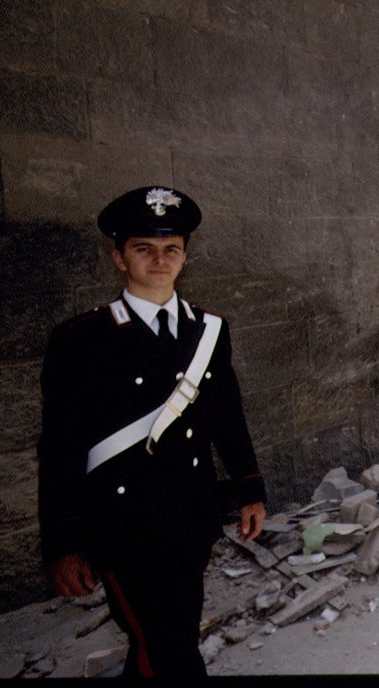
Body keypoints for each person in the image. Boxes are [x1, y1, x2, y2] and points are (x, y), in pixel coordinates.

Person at [38, 186, 266, 678]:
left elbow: (227, 415)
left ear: (184, 256)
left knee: (172, 633)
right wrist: (64, 544)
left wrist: (250, 489)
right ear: (119, 257)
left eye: (172, 249)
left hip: (191, 516)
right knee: (166, 647)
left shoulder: (209, 330)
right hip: (122, 527)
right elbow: (59, 448)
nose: (159, 259)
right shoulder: (81, 340)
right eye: (144, 248)